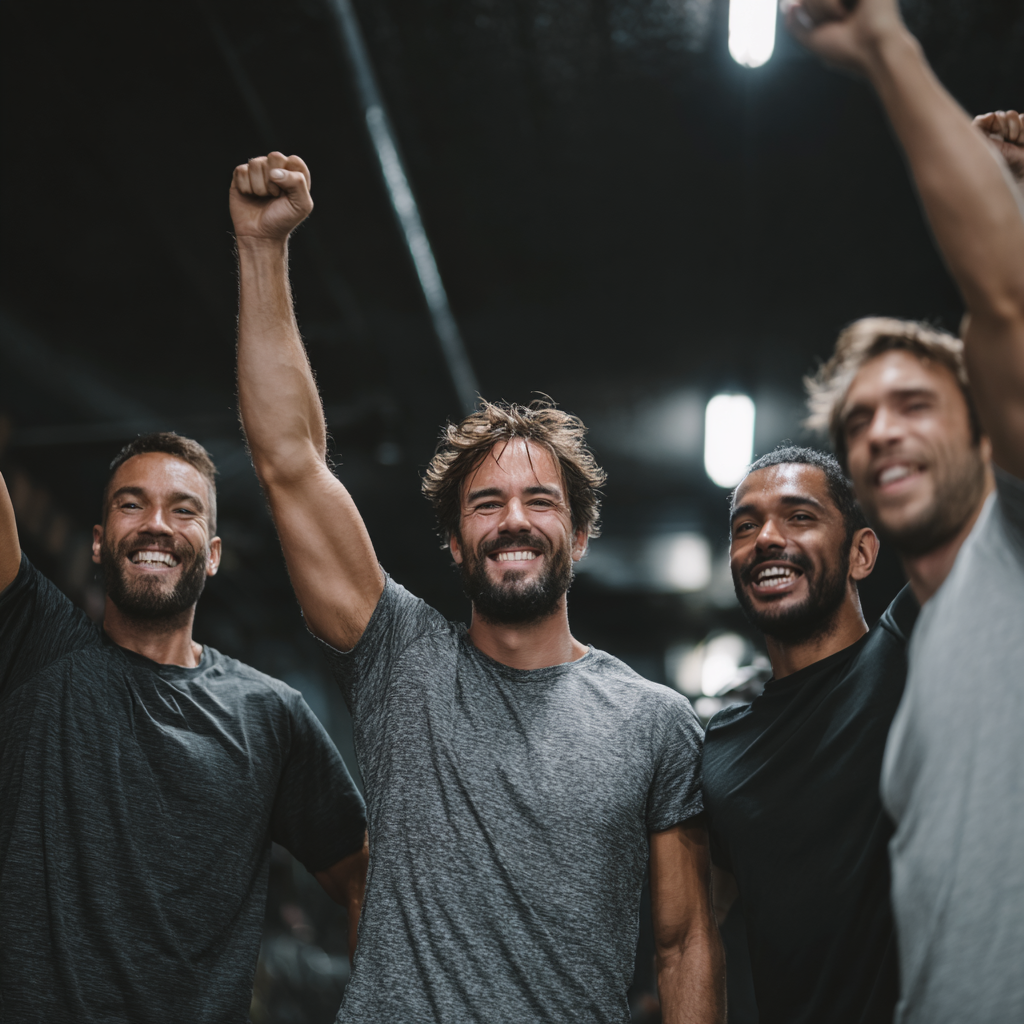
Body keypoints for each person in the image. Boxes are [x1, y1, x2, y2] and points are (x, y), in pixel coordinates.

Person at [230, 153, 725, 1024]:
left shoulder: (655, 722)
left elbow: (684, 943)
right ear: (456, 543)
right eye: (487, 503)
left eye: (541, 501)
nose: (513, 520)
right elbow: (290, 464)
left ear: (580, 535)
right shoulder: (401, 661)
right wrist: (262, 251)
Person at [787, 1, 1024, 1020]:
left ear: (985, 431)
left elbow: (1007, 303)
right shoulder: (928, 651)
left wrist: (885, 45)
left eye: (915, 405)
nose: (881, 431)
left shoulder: (1011, 549)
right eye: (859, 421)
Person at [0, 432, 368, 1024]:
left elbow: (364, 878)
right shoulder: (39, 648)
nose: (156, 524)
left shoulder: (268, 713)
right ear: (98, 542)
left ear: (213, 554)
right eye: (131, 504)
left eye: (183, 510)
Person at [702, 446, 916, 1024]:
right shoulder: (721, 748)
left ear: (861, 553)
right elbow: (702, 920)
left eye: (799, 517)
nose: (767, 538)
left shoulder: (910, 653)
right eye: (745, 527)